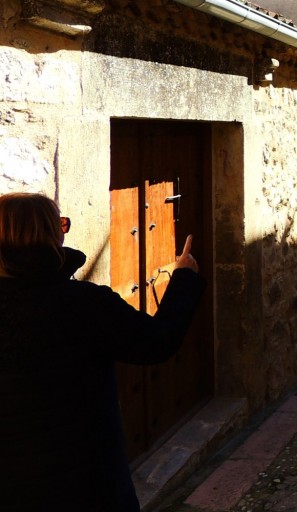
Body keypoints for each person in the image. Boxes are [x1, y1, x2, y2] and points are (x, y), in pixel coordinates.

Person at [0, 192, 204, 512]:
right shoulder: (83, 304)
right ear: (49, 236)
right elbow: (156, 342)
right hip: (88, 486)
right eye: (60, 225)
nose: (63, 232)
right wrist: (184, 278)